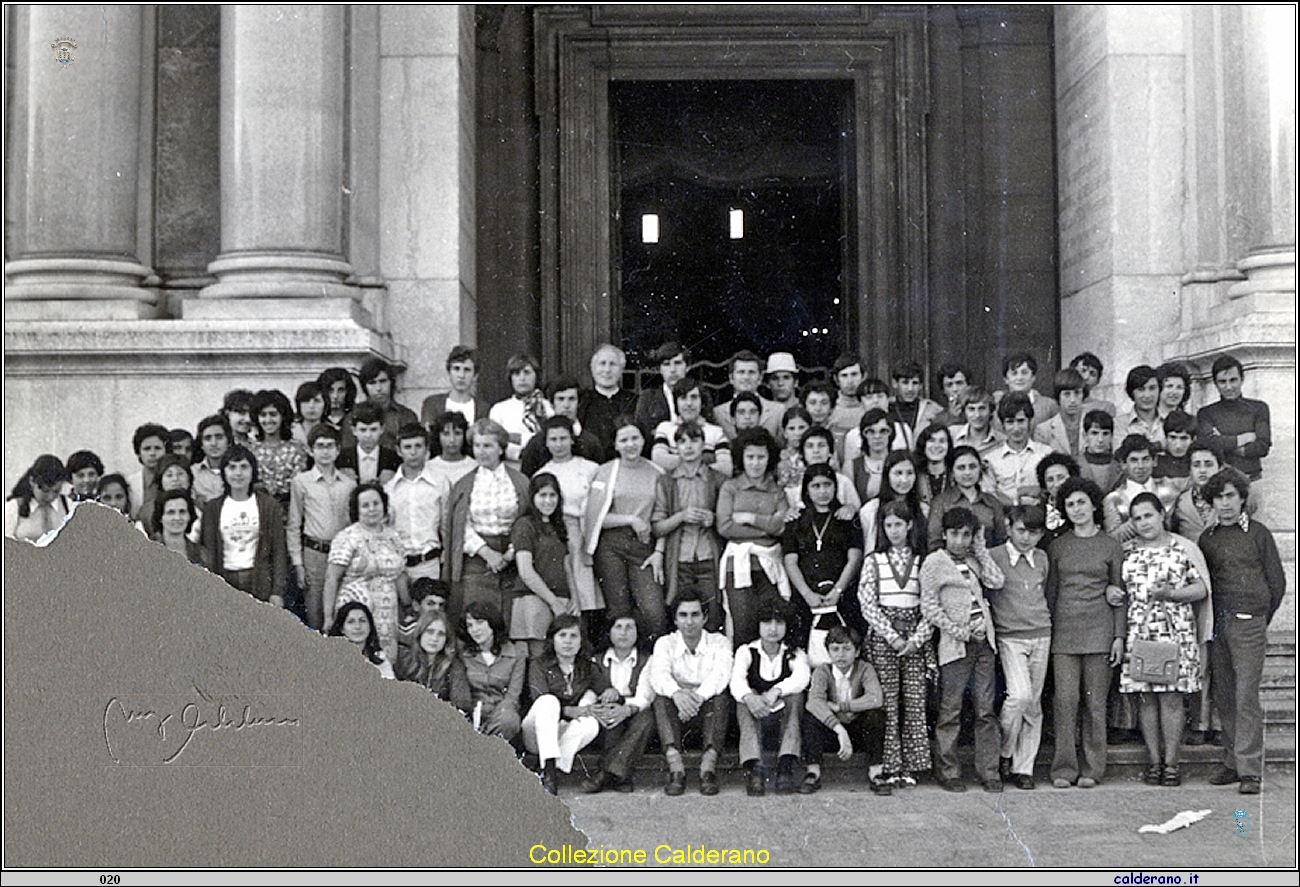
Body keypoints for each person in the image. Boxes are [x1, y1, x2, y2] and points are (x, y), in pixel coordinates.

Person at [1198, 469, 1286, 795]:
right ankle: (1232, 762)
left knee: (1246, 695)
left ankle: (1251, 770)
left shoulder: (1259, 533)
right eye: (1219, 497)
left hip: (1249, 623)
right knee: (1225, 694)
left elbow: (1277, 583)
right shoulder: (1207, 538)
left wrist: (1259, 618)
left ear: (1242, 498)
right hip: (1218, 624)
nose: (1225, 504)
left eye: (1231, 496)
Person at [1119, 493, 1207, 788]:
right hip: (1140, 632)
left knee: (1171, 698)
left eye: (1149, 515)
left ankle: (1172, 763)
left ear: (1161, 515)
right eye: (1138, 518)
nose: (1144, 522)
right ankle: (1154, 761)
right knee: (1146, 699)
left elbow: (1201, 589)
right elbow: (1117, 590)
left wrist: (1172, 594)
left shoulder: (1180, 549)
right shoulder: (1128, 554)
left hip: (1174, 631)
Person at [1045, 476, 1126, 789]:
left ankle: (1093, 768)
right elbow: (1051, 593)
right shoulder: (1057, 546)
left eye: (1081, 502)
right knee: (1065, 701)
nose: (1076, 509)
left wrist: (1118, 635)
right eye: (1070, 504)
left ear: (1094, 504)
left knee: (1095, 703)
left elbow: (1119, 591)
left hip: (1100, 631)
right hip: (1064, 632)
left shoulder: (1110, 544)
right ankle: (1063, 769)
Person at [921, 506, 1006, 793]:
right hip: (956, 645)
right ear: (944, 534)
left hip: (984, 644)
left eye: (966, 535)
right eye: (954, 534)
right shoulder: (934, 562)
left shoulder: (973, 559)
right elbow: (930, 607)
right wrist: (960, 631)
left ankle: (989, 771)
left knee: (985, 709)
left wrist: (981, 550)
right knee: (951, 709)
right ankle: (948, 771)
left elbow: (997, 580)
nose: (960, 541)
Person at [857, 498, 933, 789]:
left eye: (898, 525)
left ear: (910, 525)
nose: (893, 531)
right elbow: (867, 601)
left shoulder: (922, 561)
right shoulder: (874, 560)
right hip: (884, 636)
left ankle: (914, 764)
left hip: (914, 637)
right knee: (888, 701)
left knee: (914, 700)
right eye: (888, 525)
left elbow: (931, 602)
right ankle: (889, 764)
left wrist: (916, 639)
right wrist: (891, 635)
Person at [584, 416, 667, 643]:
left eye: (635, 438)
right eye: (624, 439)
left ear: (643, 440)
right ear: (616, 444)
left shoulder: (657, 472)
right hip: (611, 545)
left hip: (644, 547)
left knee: (653, 612)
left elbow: (662, 516)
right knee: (618, 610)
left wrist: (659, 551)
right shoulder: (605, 471)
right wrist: (631, 519)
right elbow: (596, 517)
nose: (630, 444)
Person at [986, 504, 1051, 790]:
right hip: (1010, 635)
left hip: (1041, 633)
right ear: (1009, 527)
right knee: (1019, 696)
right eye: (1021, 530)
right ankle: (1004, 752)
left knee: (1033, 705)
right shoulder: (994, 556)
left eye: (1034, 532)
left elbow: (1044, 592)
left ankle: (1023, 768)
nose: (1026, 538)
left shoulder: (1042, 558)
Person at [443, 418, 530, 624]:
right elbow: (459, 525)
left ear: (501, 449)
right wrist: (486, 552)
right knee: (478, 616)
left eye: (488, 446)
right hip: (477, 558)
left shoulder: (519, 481)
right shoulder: (464, 484)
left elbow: (526, 519)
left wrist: (509, 554)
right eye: (477, 445)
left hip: (515, 556)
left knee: (512, 619)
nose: (481, 451)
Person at [649, 591, 734, 797]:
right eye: (683, 615)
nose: (689, 621)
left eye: (695, 615)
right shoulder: (665, 643)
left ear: (705, 617)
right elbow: (658, 675)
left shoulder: (719, 642)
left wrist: (695, 699)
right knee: (661, 698)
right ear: (675, 619)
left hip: (707, 713)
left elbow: (720, 676)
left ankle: (707, 770)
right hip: (677, 716)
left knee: (720, 698)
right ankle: (676, 769)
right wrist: (678, 694)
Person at [717, 428, 790, 646]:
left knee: (771, 624)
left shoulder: (777, 491)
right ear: (742, 458)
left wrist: (750, 517)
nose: (756, 463)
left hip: (769, 565)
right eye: (750, 457)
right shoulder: (730, 487)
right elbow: (725, 526)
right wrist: (768, 527)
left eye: (761, 457)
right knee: (743, 626)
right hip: (738, 565)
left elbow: (783, 527)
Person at [782, 465, 864, 660]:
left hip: (840, 597)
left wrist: (837, 591)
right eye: (816, 486)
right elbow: (790, 561)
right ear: (806, 490)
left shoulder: (847, 517)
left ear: (835, 487)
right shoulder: (796, 520)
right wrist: (807, 594)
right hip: (807, 597)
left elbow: (854, 558)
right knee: (805, 654)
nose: (822, 491)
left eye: (827, 485)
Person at [529, 416, 601, 634]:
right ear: (546, 442)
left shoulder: (591, 468)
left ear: (572, 439)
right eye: (553, 439)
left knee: (594, 592)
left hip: (590, 530)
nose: (559, 444)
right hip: (560, 534)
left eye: (563, 438)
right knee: (573, 588)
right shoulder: (542, 473)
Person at [731, 600, 810, 795]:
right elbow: (736, 681)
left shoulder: (794, 653)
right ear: (758, 625)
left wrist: (776, 691)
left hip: (781, 715)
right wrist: (750, 697)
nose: (772, 629)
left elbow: (802, 677)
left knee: (796, 696)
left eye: (779, 623)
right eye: (767, 623)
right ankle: (755, 768)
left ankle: (785, 766)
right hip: (756, 715)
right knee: (742, 702)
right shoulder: (746, 651)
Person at [522, 615, 609, 794]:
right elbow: (539, 697)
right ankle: (549, 766)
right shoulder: (539, 664)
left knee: (591, 724)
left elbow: (606, 690)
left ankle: (550, 771)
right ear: (552, 639)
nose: (568, 641)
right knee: (548, 701)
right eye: (562, 635)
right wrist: (571, 710)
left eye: (573, 636)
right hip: (536, 732)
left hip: (563, 733)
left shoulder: (587, 667)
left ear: (581, 641)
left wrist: (610, 693)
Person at [323, 482, 409, 662]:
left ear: (384, 505)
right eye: (365, 505)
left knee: (383, 659)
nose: (372, 509)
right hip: (356, 611)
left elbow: (399, 574)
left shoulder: (394, 537)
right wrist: (328, 617)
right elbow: (332, 578)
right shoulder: (347, 537)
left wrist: (408, 605)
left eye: (376, 504)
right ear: (357, 510)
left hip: (387, 611)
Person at [652, 422, 726, 631]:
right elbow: (657, 527)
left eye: (694, 440)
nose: (688, 446)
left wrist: (713, 519)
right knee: (681, 616)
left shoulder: (717, 479)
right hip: (680, 559)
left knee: (711, 614)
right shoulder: (666, 482)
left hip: (708, 557)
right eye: (682, 441)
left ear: (703, 444)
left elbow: (727, 520)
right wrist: (681, 516)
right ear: (675, 447)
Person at [799, 625, 885, 795]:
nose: (841, 654)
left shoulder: (864, 668)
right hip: (833, 731)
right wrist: (839, 729)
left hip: (857, 730)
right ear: (828, 652)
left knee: (876, 715)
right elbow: (814, 702)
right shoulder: (822, 671)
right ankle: (813, 772)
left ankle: (876, 773)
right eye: (835, 649)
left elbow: (876, 698)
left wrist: (841, 707)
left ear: (857, 651)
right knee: (811, 718)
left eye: (847, 649)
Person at [580, 611, 658, 794]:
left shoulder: (647, 660)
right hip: (608, 718)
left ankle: (605, 773)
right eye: (618, 627)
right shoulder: (596, 660)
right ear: (610, 632)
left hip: (634, 713)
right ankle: (621, 775)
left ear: (638, 632)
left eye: (630, 627)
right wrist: (589, 707)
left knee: (646, 719)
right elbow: (590, 691)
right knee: (610, 713)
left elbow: (644, 697)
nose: (624, 632)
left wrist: (625, 707)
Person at [287, 423, 355, 631]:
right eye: (320, 446)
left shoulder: (349, 484)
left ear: (338, 449)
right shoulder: (301, 482)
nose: (325, 451)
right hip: (314, 554)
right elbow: (293, 524)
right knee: (315, 610)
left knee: (342, 607)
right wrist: (298, 564)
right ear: (310, 450)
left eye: (329, 446)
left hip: (342, 554)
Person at [200, 446, 288, 607]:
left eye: (244, 467)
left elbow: (279, 551)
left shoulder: (269, 506)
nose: (238, 473)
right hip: (225, 580)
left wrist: (277, 592)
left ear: (253, 471)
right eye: (232, 467)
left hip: (259, 581)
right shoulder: (213, 508)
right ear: (224, 472)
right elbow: (209, 552)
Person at [511, 472, 579, 657]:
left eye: (552, 495)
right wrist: (554, 602)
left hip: (561, 599)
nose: (548, 501)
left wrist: (575, 598)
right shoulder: (525, 525)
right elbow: (526, 571)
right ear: (532, 498)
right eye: (542, 495)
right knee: (539, 658)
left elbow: (567, 565)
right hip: (534, 599)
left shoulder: (559, 526)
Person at [1196, 355, 1272, 497]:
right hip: (1219, 487)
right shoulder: (1206, 413)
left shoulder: (1259, 408)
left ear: (1242, 379)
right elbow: (1208, 444)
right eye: (1222, 382)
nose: (1228, 387)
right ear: (1215, 383)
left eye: (1233, 380)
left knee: (1255, 520)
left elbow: (1263, 446)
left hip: (1252, 483)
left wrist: (1224, 443)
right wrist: (1243, 439)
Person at [450, 601, 526, 741]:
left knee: (508, 720)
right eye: (470, 625)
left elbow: (512, 697)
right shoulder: (463, 654)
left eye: (479, 622)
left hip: (501, 715)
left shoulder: (516, 653)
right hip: (472, 713)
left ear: (492, 622)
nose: (475, 630)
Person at [384, 423, 451, 584]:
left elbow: (446, 526)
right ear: (399, 450)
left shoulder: (440, 483)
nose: (413, 452)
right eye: (407, 447)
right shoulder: (389, 488)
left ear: (426, 449)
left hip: (429, 564)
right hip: (397, 566)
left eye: (418, 446)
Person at [927, 444, 1008, 553]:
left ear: (980, 469)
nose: (967, 472)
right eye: (961, 467)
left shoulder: (992, 502)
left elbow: (1001, 541)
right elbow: (934, 542)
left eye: (972, 466)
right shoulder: (941, 502)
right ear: (952, 472)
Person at [519, 377, 601, 476]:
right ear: (551, 403)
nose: (566, 405)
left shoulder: (591, 442)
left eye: (571, 399)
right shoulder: (537, 443)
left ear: (579, 403)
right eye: (560, 399)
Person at [650, 377, 731, 475]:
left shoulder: (715, 432)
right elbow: (659, 459)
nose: (689, 403)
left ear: (702, 402)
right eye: (683, 398)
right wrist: (704, 461)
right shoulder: (665, 428)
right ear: (676, 402)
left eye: (694, 397)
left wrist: (681, 463)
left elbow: (725, 467)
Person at [983, 392, 1052, 506]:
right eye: (1010, 422)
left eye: (1021, 421)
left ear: (1030, 421)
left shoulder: (1046, 454)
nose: (1016, 428)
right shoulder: (991, 459)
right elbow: (989, 496)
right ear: (1002, 425)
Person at [489, 352, 554, 470]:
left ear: (536, 376)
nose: (522, 378)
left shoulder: (547, 406)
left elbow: (549, 437)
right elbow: (495, 441)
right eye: (517, 373)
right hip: (511, 467)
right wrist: (521, 451)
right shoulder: (499, 409)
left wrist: (514, 437)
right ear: (511, 378)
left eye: (527, 372)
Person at [577, 343, 639, 464]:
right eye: (602, 363)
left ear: (621, 370)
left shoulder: (634, 401)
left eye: (613, 364)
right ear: (593, 368)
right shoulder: (582, 400)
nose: (607, 370)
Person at [249, 389, 309, 506]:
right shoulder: (251, 450)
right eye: (263, 415)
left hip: (290, 509)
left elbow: (298, 484)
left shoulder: (296, 449)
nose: (268, 420)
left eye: (273, 414)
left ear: (283, 416)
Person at [859, 451, 926, 555]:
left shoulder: (924, 509)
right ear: (887, 475)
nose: (904, 480)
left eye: (909, 473)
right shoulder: (871, 510)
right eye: (898, 473)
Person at [713, 350, 782, 440]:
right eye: (741, 372)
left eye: (751, 372)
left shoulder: (778, 411)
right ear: (731, 378)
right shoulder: (718, 413)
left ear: (760, 378)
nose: (746, 377)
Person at [395, 609, 461, 699]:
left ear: (447, 639)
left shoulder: (454, 667)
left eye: (441, 634)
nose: (434, 639)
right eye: (430, 631)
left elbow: (461, 704)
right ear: (420, 633)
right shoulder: (404, 660)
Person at [1103, 434, 1158, 541]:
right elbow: (1112, 538)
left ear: (1154, 461)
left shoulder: (1169, 488)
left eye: (1145, 459)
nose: (1140, 466)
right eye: (1134, 460)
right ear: (1123, 464)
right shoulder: (1113, 499)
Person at [420, 345, 490, 428]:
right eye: (456, 369)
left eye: (467, 370)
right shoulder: (432, 404)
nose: (461, 375)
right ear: (449, 372)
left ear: (475, 376)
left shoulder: (483, 409)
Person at [358, 356, 420, 450]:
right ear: (364, 386)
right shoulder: (354, 415)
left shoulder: (406, 416)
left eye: (383, 381)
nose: (378, 388)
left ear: (391, 382)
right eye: (372, 383)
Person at [5, 455, 71, 541]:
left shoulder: (68, 505)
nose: (50, 497)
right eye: (45, 491)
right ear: (32, 481)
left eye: (56, 491)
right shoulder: (14, 507)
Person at [336, 402, 401, 485]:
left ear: (382, 429)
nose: (368, 435)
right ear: (354, 430)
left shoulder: (393, 459)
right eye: (363, 430)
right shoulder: (342, 459)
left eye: (373, 429)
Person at [328, 601, 396, 679]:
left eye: (362, 621)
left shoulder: (379, 657)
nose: (357, 626)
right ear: (342, 629)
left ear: (370, 626)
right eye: (351, 622)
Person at [995, 351, 1058, 433]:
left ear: (1033, 377)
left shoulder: (1049, 406)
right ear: (1006, 379)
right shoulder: (996, 406)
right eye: (1014, 373)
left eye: (1024, 373)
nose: (1020, 378)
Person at [886, 361, 942, 452]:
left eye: (915, 383)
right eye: (905, 383)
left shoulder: (932, 409)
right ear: (895, 383)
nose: (910, 389)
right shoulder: (886, 407)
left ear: (921, 386)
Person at [635, 341, 691, 430]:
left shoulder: (698, 395)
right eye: (666, 364)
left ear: (687, 367)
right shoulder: (648, 398)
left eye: (677, 363)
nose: (672, 370)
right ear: (660, 369)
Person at [1034, 368, 1088, 457]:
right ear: (1058, 397)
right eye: (1067, 394)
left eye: (1077, 393)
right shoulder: (1043, 430)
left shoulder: (1093, 425)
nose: (1072, 400)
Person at [150, 489, 206, 567]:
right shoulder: (148, 551)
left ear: (189, 516)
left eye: (182, 512)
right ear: (160, 517)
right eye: (171, 512)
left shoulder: (201, 554)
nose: (177, 517)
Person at [125, 422, 169, 522]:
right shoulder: (130, 483)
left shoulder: (174, 480)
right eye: (147, 449)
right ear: (139, 453)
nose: (152, 453)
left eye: (157, 448)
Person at [847, 409, 892, 504]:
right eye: (871, 431)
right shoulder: (852, 466)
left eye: (883, 431)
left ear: (891, 433)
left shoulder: (900, 461)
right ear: (864, 435)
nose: (877, 436)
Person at [824, 354, 865, 458]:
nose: (850, 381)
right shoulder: (828, 408)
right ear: (836, 379)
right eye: (844, 376)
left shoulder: (870, 406)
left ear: (863, 376)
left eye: (854, 374)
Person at [1115, 365, 1164, 450]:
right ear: (1131, 392)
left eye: (1152, 388)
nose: (1147, 395)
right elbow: (1122, 453)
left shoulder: (1169, 421)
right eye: (1141, 389)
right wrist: (1160, 445)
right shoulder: (1119, 424)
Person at [191, 415, 232, 508]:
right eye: (208, 438)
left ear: (228, 441)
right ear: (201, 444)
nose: (214, 443)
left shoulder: (238, 470)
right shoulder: (192, 473)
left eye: (219, 437)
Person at [427, 410, 476, 488]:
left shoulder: (475, 466)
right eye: (446, 434)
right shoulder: (428, 467)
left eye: (457, 433)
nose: (452, 440)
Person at [1078, 409, 1122, 494]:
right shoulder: (1075, 465)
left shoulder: (1120, 467)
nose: (1100, 439)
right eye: (1094, 433)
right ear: (1085, 435)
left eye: (1105, 434)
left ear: (1112, 436)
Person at [951, 387, 1004, 457]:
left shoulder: (1001, 441)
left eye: (982, 408)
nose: (977, 415)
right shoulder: (952, 434)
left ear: (991, 411)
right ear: (964, 411)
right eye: (971, 409)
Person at [317, 366, 358, 449]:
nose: (335, 396)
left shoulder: (354, 418)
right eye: (330, 390)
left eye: (341, 390)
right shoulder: (317, 419)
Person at [914, 422, 954, 507]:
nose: (936, 446)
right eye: (932, 440)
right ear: (923, 444)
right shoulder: (914, 474)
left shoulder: (955, 474)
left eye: (942, 441)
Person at [1070, 351, 1117, 417]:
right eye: (1083, 371)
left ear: (1097, 381)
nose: (1086, 377)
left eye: (1092, 374)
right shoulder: (1058, 406)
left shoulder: (1105, 408)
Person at [290, 380, 326, 451]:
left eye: (317, 401)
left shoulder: (333, 431)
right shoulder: (290, 432)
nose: (311, 406)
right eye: (306, 401)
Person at [934, 362, 974, 428]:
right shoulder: (938, 419)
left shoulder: (980, 411)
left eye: (959, 383)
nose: (955, 389)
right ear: (943, 390)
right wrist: (951, 418)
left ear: (968, 385)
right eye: (949, 385)